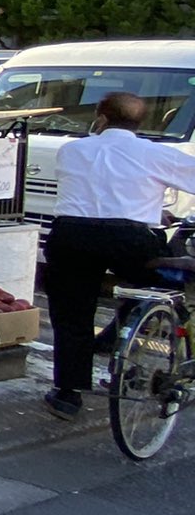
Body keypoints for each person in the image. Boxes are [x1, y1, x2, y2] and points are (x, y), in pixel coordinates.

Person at [42, 91, 195, 418]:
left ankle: (68, 393)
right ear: (140, 121)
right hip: (131, 238)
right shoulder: (155, 153)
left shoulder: (72, 150)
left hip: (72, 234)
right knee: (156, 288)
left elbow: (101, 190)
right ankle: (125, 347)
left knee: (72, 313)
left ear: (101, 116)